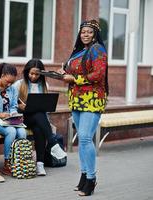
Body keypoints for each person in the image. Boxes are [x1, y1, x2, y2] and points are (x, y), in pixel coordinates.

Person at [59, 19, 108, 196]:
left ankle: (91, 179)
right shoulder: (79, 51)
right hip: (77, 100)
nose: (85, 35)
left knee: (86, 138)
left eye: (89, 32)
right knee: (82, 140)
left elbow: (98, 74)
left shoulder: (97, 50)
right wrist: (64, 74)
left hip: (92, 99)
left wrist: (74, 79)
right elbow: (74, 72)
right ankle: (84, 175)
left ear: (95, 34)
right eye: (83, 32)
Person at [0, 63, 27, 176]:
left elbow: (13, 106)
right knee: (11, 131)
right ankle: (7, 163)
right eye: (8, 81)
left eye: (12, 82)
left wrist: (14, 113)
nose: (9, 84)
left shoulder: (12, 89)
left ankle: (19, 163)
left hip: (10, 119)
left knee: (22, 132)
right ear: (2, 75)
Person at [14, 58, 52, 176]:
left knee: (38, 129)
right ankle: (52, 140)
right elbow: (12, 105)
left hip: (38, 120)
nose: (34, 76)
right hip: (24, 118)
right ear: (26, 72)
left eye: (37, 74)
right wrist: (20, 106)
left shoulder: (45, 85)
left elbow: (45, 107)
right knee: (37, 114)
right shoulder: (19, 84)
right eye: (31, 73)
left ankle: (40, 164)